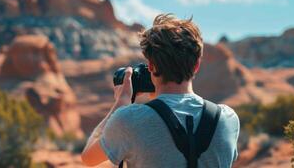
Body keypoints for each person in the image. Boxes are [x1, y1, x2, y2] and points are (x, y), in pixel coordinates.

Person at [81, 14, 240, 168]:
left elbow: (88, 158)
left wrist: (119, 105)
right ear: (196, 65)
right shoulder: (227, 119)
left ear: (151, 66)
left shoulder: (129, 120)